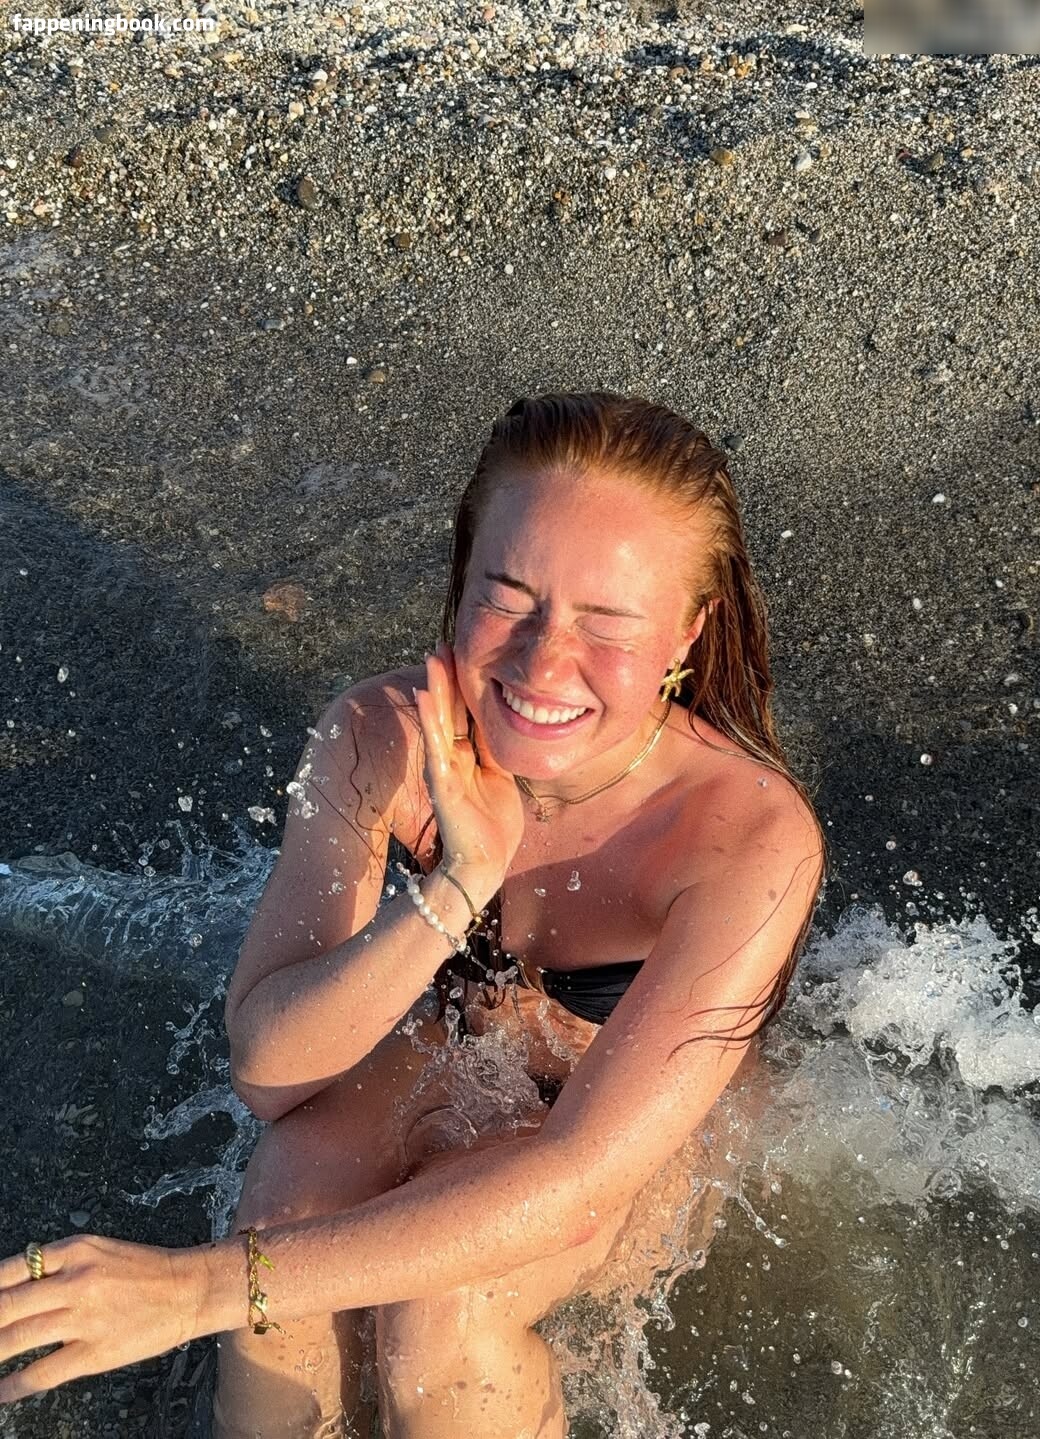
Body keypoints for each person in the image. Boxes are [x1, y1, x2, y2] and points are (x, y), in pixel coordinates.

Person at [0, 391, 826, 1438]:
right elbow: (269, 1071)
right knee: (285, 1214)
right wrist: (455, 886)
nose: (542, 663)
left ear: (686, 631)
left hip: (627, 1128)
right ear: (462, 576)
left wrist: (192, 1287)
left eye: (606, 622)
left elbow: (579, 1175)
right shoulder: (376, 734)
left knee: (445, 1316)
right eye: (508, 598)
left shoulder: (748, 838)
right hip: (460, 1043)